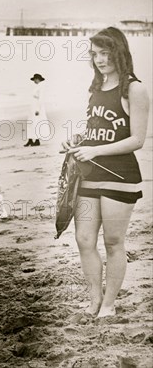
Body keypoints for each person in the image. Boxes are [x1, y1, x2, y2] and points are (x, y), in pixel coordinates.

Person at [63, 27, 149, 318]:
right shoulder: (96, 88)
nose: (99, 59)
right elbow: (97, 131)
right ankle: (93, 300)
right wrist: (78, 141)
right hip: (89, 174)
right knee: (84, 239)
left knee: (113, 242)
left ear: (119, 52)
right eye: (94, 54)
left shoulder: (133, 88)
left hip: (120, 178)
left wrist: (97, 150)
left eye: (105, 52)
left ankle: (109, 305)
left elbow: (137, 139)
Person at [25, 73, 48, 147]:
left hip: (37, 106)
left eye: (35, 79)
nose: (34, 81)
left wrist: (38, 109)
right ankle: (30, 139)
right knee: (31, 122)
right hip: (33, 105)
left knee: (36, 122)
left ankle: (36, 139)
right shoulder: (38, 86)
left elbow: (41, 99)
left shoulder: (42, 86)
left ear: (38, 79)